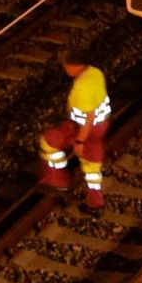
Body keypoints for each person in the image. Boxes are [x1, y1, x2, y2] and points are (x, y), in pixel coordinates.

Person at [38, 58, 111, 214]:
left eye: (66, 65)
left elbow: (89, 117)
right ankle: (95, 203)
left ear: (74, 65)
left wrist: (80, 142)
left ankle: (58, 181)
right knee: (92, 168)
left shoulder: (82, 87)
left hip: (84, 130)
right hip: (97, 127)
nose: (65, 68)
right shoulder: (94, 72)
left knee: (50, 141)